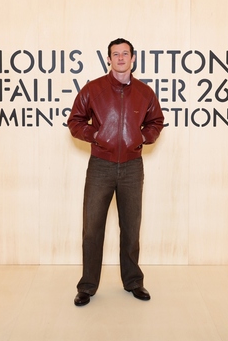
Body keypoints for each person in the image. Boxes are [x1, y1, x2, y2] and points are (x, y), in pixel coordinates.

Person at [67, 38, 164, 306]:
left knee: (131, 227)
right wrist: (95, 134)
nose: (120, 58)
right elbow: (75, 121)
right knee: (92, 228)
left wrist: (142, 137)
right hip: (101, 165)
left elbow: (156, 122)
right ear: (108, 59)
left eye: (125, 53)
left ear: (133, 58)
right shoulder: (93, 89)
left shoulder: (145, 92)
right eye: (115, 54)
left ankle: (133, 282)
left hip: (132, 166)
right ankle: (87, 286)